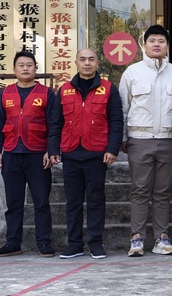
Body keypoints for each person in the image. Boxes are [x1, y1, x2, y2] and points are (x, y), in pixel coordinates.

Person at [119, 24, 172, 257]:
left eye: (161, 41)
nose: (157, 44)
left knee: (163, 192)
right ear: (144, 45)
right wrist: (123, 137)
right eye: (152, 41)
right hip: (139, 140)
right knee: (139, 191)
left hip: (169, 141)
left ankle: (161, 238)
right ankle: (137, 238)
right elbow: (123, 108)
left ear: (167, 45)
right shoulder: (132, 73)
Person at [48, 48, 123, 259]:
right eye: (82, 59)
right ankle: (75, 245)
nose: (87, 63)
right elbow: (56, 122)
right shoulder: (64, 90)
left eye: (91, 59)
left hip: (96, 154)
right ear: (76, 63)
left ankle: (96, 244)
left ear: (97, 63)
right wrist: (53, 149)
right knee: (72, 202)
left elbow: (116, 121)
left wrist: (112, 149)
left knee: (96, 200)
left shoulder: (109, 89)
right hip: (71, 153)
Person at [0, 50, 56, 257]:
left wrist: (51, 150)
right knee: (13, 203)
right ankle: (13, 243)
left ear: (36, 68)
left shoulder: (46, 93)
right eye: (21, 65)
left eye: (29, 65)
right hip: (11, 153)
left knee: (41, 202)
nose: (25, 68)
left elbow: (54, 125)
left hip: (38, 155)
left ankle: (44, 242)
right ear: (14, 69)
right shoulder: (5, 93)